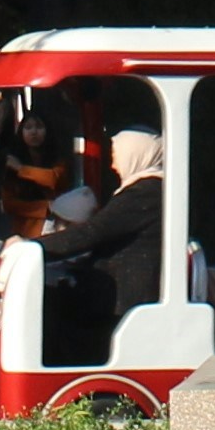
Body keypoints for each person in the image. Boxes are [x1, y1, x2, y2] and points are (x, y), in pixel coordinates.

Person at [48, 127, 176, 352]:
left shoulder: (144, 192)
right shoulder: (152, 190)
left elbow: (92, 232)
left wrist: (32, 247)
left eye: (117, 157)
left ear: (136, 154)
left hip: (123, 302)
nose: (113, 166)